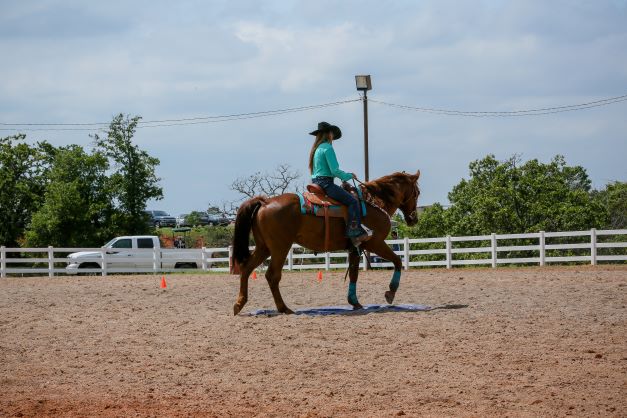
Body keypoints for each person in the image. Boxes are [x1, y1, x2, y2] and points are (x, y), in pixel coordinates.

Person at [308, 121, 372, 246]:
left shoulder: (316, 149)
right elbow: (334, 170)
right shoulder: (328, 148)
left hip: (316, 182)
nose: (332, 135)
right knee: (353, 201)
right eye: (331, 133)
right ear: (328, 134)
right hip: (326, 184)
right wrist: (348, 176)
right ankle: (354, 232)